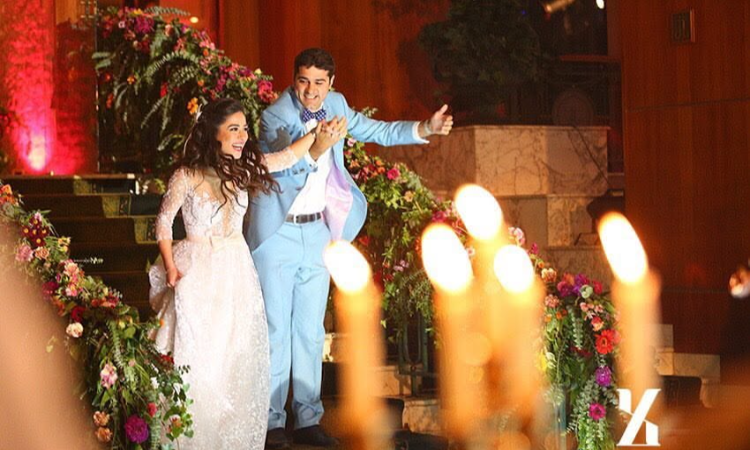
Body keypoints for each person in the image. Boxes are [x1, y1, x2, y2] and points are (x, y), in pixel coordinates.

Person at [246, 48, 453, 449]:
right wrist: (316, 147)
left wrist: (424, 127)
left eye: (318, 83)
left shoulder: (337, 105)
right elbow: (281, 170)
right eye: (303, 81)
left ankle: (307, 419)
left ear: (331, 84)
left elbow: (375, 131)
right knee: (276, 331)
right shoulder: (275, 115)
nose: (310, 91)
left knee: (310, 332)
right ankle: (271, 423)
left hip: (318, 233)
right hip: (278, 234)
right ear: (293, 79)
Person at [148, 98, 328, 449]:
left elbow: (285, 158)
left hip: (236, 270)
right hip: (197, 271)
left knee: (235, 354)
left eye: (244, 129)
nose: (243, 136)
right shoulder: (186, 175)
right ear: (212, 132)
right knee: (200, 355)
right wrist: (170, 266)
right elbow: (164, 222)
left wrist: (315, 134)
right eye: (234, 129)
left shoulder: (242, 169)